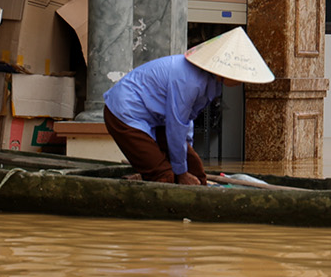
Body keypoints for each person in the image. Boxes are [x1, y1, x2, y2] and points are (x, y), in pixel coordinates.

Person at [103, 27, 274, 184]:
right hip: (125, 112)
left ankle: (148, 174)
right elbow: (176, 124)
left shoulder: (210, 83)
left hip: (156, 117)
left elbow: (187, 120)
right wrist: (181, 173)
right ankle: (153, 183)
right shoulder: (188, 81)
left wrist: (187, 158)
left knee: (197, 172)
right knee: (165, 176)